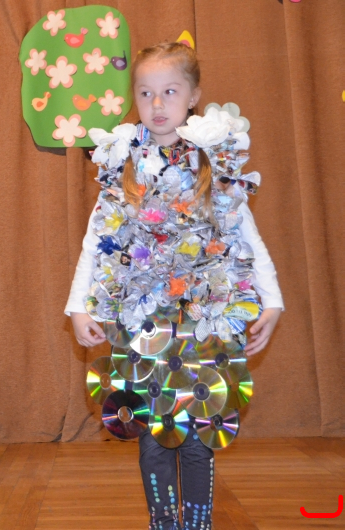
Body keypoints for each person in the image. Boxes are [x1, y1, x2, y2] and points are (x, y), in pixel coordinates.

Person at [65, 42, 283, 530]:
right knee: (153, 434)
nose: (157, 104)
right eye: (146, 93)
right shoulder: (122, 162)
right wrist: (79, 305)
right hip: (143, 324)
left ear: (194, 96)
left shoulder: (212, 163)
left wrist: (272, 299)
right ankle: (163, 523)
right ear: (135, 98)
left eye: (169, 92)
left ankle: (197, 524)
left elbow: (246, 235)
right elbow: (96, 240)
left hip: (204, 322)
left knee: (199, 435)